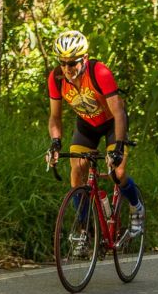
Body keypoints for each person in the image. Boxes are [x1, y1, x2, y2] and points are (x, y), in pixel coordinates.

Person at [45, 30, 145, 235]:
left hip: (112, 124)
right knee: (77, 171)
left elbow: (118, 113)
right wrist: (55, 142)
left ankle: (136, 207)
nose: (67, 68)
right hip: (86, 125)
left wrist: (117, 147)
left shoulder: (99, 73)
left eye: (72, 63)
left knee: (117, 172)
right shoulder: (56, 78)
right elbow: (55, 116)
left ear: (84, 59)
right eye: (63, 63)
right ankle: (84, 228)